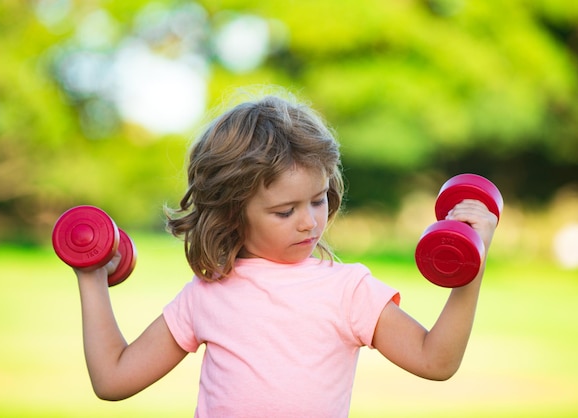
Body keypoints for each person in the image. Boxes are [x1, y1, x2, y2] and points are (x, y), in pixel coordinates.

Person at [74, 91, 498, 417]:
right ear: (231, 213)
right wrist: (91, 275)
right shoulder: (207, 295)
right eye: (284, 211)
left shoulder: (349, 291)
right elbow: (113, 379)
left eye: (317, 200)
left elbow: (435, 361)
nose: (310, 222)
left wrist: (472, 264)